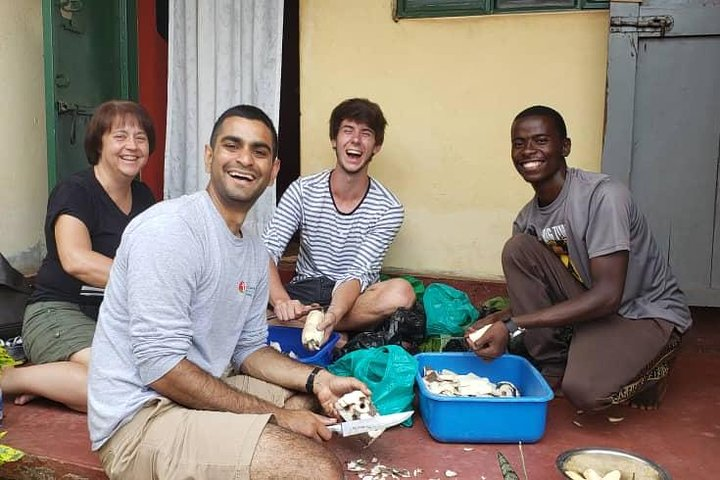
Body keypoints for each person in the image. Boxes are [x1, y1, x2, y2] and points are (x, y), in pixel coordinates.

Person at [87, 105, 369, 480]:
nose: (245, 160)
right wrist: (280, 419)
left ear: (273, 172)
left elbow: (249, 348)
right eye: (231, 145)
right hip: (140, 419)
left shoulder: (253, 249)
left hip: (196, 391)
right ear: (209, 156)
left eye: (259, 151)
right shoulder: (170, 231)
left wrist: (319, 379)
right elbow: (161, 368)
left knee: (311, 403)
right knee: (317, 470)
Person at [467, 105, 692, 412]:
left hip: (645, 312)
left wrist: (513, 324)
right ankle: (554, 363)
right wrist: (495, 320)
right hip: (598, 310)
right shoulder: (528, 220)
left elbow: (609, 296)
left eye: (541, 140)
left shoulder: (603, 197)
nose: (528, 151)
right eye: (519, 143)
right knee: (517, 248)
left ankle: (654, 368)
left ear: (565, 146)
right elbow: (543, 292)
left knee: (586, 393)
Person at [1, 100, 156, 412]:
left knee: (155, 376)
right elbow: (76, 259)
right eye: (120, 136)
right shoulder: (75, 190)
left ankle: (49, 383)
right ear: (98, 142)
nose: (133, 146)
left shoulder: (143, 196)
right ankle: (10, 380)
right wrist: (147, 279)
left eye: (141, 138)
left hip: (111, 318)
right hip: (58, 313)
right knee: (115, 387)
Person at [262, 98, 416, 344]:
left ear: (376, 146)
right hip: (304, 290)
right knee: (243, 292)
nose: (355, 140)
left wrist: (333, 313)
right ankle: (324, 331)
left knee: (401, 292)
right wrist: (281, 301)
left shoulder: (389, 208)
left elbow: (357, 273)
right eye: (348, 130)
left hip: (354, 298)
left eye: (366, 133)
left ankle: (308, 325)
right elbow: (266, 252)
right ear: (334, 140)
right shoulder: (302, 190)